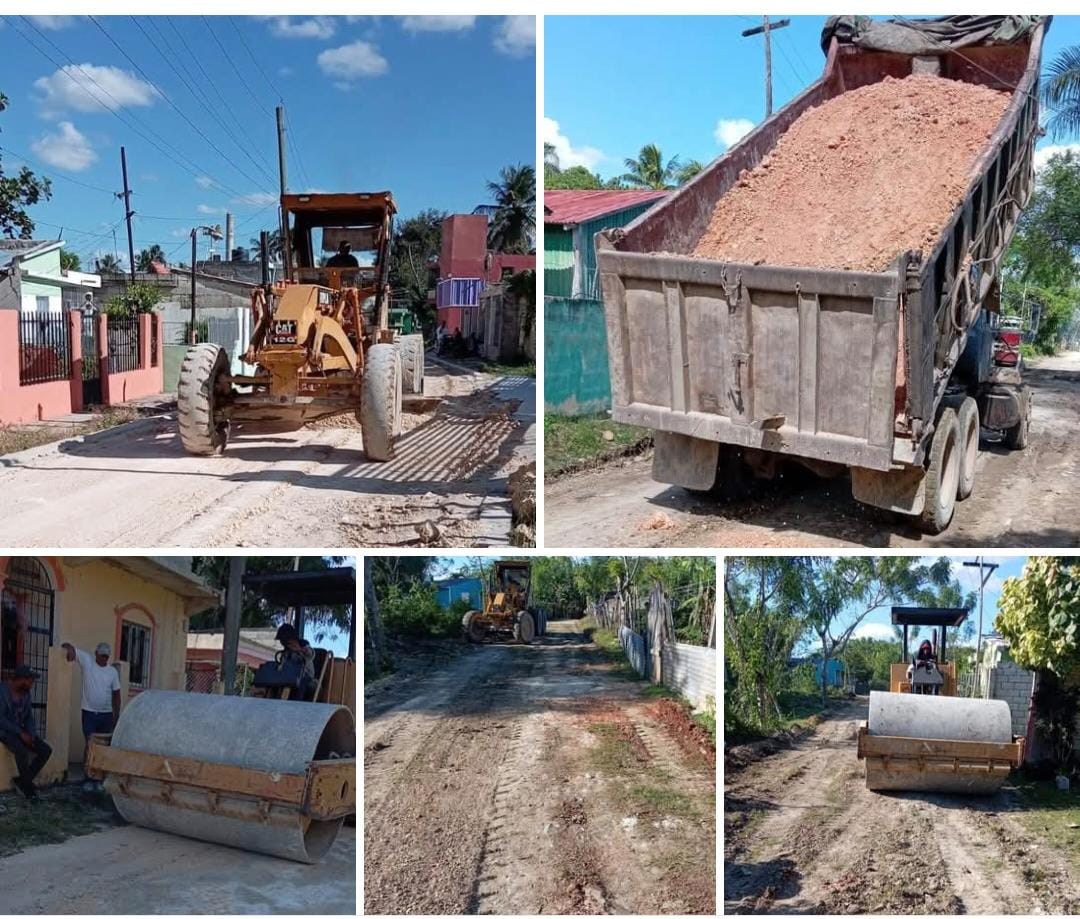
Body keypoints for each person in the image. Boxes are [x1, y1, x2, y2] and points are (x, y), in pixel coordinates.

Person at [61, 641, 122, 768]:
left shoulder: (112, 672)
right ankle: (88, 775)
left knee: (103, 747)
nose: (104, 658)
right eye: (102, 655)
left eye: (106, 656)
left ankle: (98, 776)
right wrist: (68, 650)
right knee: (90, 744)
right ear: (96, 654)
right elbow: (68, 646)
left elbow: (117, 695)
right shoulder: (87, 661)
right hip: (89, 713)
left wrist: (116, 717)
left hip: (106, 715)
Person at [0, 665, 52, 799]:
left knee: (45, 750)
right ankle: (27, 786)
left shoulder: (26, 694)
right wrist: (20, 733)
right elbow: (1, 719)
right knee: (21, 750)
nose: (32, 684)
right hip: (5, 731)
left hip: (20, 731)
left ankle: (23, 781)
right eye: (30, 680)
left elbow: (28, 716)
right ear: (21, 679)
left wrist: (31, 734)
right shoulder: (2, 691)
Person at [275, 624, 316, 701]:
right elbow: (282, 664)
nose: (282, 642)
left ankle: (297, 704)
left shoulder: (303, 644)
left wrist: (300, 649)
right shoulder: (286, 652)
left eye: (283, 640)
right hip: (289, 675)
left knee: (301, 683)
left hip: (306, 675)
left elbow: (311, 654)